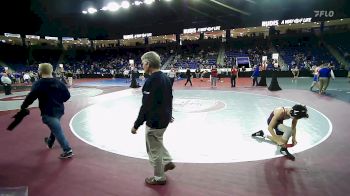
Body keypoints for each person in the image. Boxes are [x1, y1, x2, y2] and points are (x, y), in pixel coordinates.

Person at [131, 51, 175, 185]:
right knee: (158, 141)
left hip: (154, 121)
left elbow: (146, 107)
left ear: (148, 64)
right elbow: (169, 98)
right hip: (164, 119)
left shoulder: (150, 81)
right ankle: (167, 160)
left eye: (143, 63)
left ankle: (159, 177)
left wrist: (136, 125)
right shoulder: (166, 78)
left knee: (153, 150)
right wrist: (169, 114)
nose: (142, 65)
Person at [20, 63, 73, 159]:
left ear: (40, 72)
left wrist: (24, 106)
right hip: (59, 110)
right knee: (55, 126)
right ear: (51, 71)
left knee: (57, 130)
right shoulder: (59, 82)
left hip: (48, 112)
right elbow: (67, 96)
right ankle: (50, 142)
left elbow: (31, 97)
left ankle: (67, 150)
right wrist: (58, 100)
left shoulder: (39, 84)